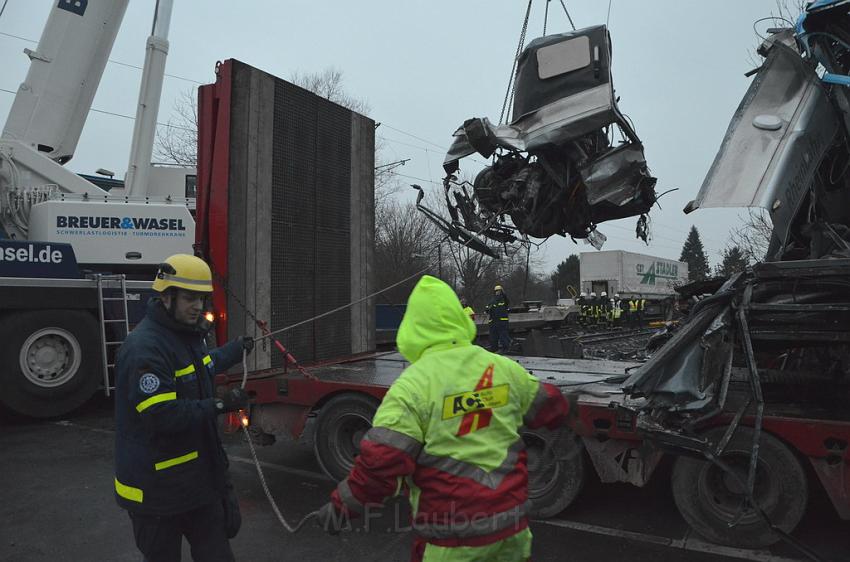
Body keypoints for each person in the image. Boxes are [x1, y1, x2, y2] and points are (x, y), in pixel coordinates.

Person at [316, 275, 573, 561]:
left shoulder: (411, 387)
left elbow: (381, 463)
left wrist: (342, 507)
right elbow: (550, 407)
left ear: (413, 328)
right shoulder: (502, 368)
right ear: (458, 318)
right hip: (511, 532)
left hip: (454, 541)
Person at [114, 254, 255, 562]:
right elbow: (161, 416)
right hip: (156, 494)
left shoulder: (187, 337)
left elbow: (203, 366)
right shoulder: (145, 349)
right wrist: (221, 404)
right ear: (167, 297)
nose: (198, 307)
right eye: (190, 299)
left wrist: (234, 350)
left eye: (201, 300)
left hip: (198, 486)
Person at [485, 284, 511, 353]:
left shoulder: (504, 300)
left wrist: (503, 293)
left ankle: (505, 349)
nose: (497, 292)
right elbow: (487, 309)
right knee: (493, 337)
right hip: (493, 322)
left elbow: (507, 301)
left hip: (502, 321)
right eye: (496, 291)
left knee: (503, 335)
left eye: (499, 291)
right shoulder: (492, 301)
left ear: (501, 291)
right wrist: (487, 309)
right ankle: (494, 349)